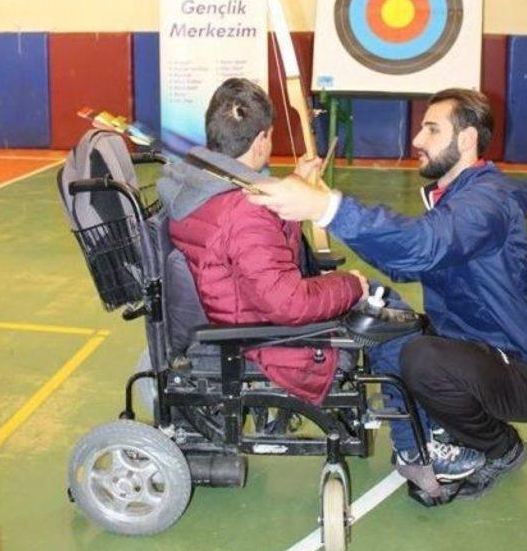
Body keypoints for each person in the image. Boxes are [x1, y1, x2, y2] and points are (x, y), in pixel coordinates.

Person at [157, 78, 484, 484]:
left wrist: (295, 183)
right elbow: (288, 302)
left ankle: (422, 429)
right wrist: (349, 284)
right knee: (391, 320)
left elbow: (249, 244)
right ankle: (415, 448)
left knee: (388, 304)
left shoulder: (200, 184)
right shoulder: (243, 210)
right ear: (261, 140)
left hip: (243, 317)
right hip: (268, 340)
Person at [247, 88, 527, 497]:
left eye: (432, 130)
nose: (417, 140)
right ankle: (426, 437)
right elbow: (404, 262)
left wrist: (327, 208)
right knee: (381, 311)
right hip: (474, 349)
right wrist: (325, 208)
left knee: (422, 359)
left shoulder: (487, 202)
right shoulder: (458, 196)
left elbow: (423, 247)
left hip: (522, 373)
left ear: (466, 140)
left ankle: (501, 448)